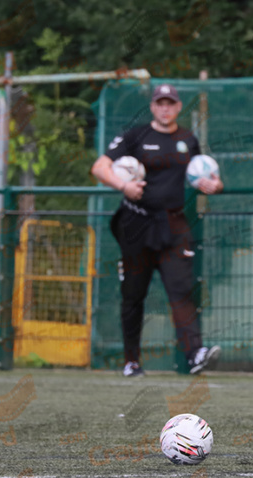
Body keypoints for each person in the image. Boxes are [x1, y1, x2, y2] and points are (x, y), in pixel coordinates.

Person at [91, 83, 223, 377]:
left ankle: (194, 354)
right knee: (133, 295)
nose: (165, 108)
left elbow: (208, 176)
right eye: (160, 103)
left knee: (182, 291)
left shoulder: (188, 140)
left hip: (174, 226)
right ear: (153, 106)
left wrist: (214, 186)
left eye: (170, 103)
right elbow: (100, 167)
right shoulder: (135, 136)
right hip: (136, 225)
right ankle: (131, 361)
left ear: (178, 107)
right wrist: (123, 185)